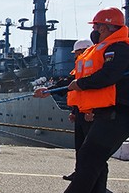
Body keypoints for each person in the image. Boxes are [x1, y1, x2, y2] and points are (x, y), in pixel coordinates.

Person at [38, 8, 129, 193]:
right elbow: (75, 79)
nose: (95, 30)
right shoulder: (98, 50)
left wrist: (80, 85)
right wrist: (49, 90)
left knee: (89, 158)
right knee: (95, 160)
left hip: (120, 112)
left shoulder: (120, 49)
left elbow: (108, 76)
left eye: (98, 26)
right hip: (104, 112)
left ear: (109, 27)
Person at [36, 38, 95, 181]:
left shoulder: (93, 66)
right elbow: (75, 89)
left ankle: (92, 177)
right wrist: (74, 111)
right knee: (80, 146)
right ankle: (80, 173)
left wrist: (49, 91)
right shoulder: (80, 68)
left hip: (91, 113)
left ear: (84, 50)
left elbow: (94, 91)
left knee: (91, 148)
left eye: (77, 52)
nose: (75, 56)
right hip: (81, 111)